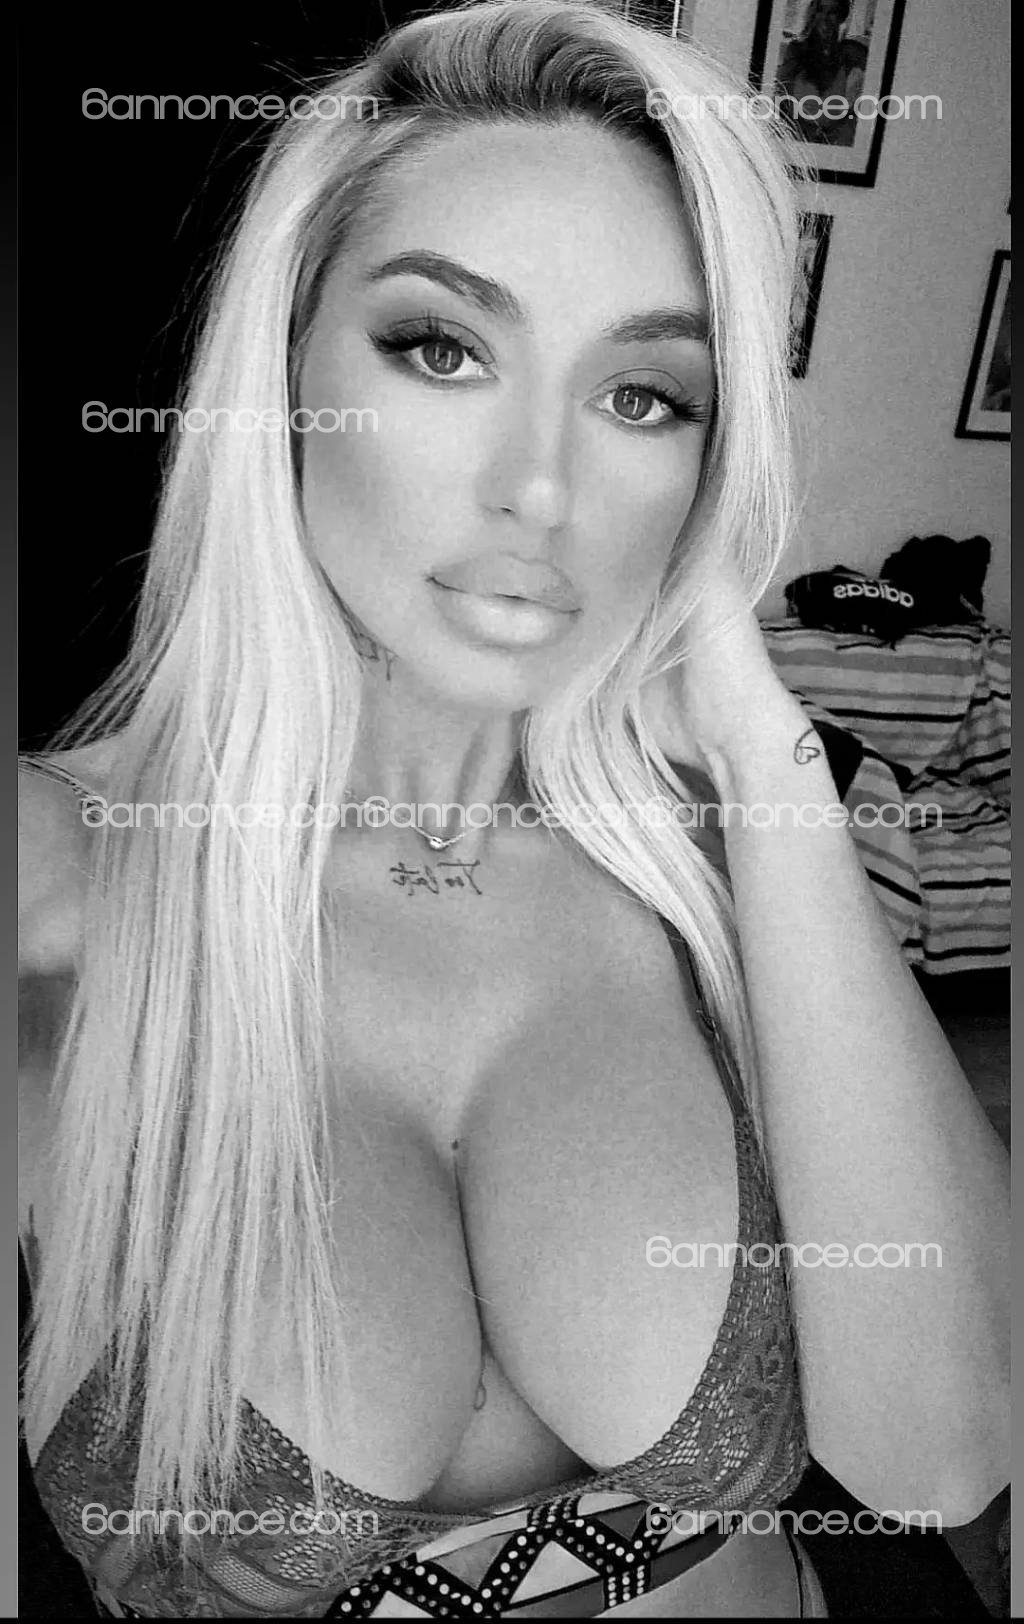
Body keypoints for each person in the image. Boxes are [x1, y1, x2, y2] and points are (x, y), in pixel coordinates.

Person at [19, 1, 1008, 1616]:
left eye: (644, 396)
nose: (538, 486)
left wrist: (765, 762)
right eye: (441, 349)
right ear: (279, 374)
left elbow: (945, 1455)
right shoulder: (57, 873)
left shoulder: (714, 871)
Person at [776, 0, 868, 147]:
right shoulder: (797, 50)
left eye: (832, 12)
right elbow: (780, 96)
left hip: (834, 141)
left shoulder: (849, 53)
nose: (825, 17)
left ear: (841, 16)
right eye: (820, 10)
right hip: (796, 139)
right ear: (813, 13)